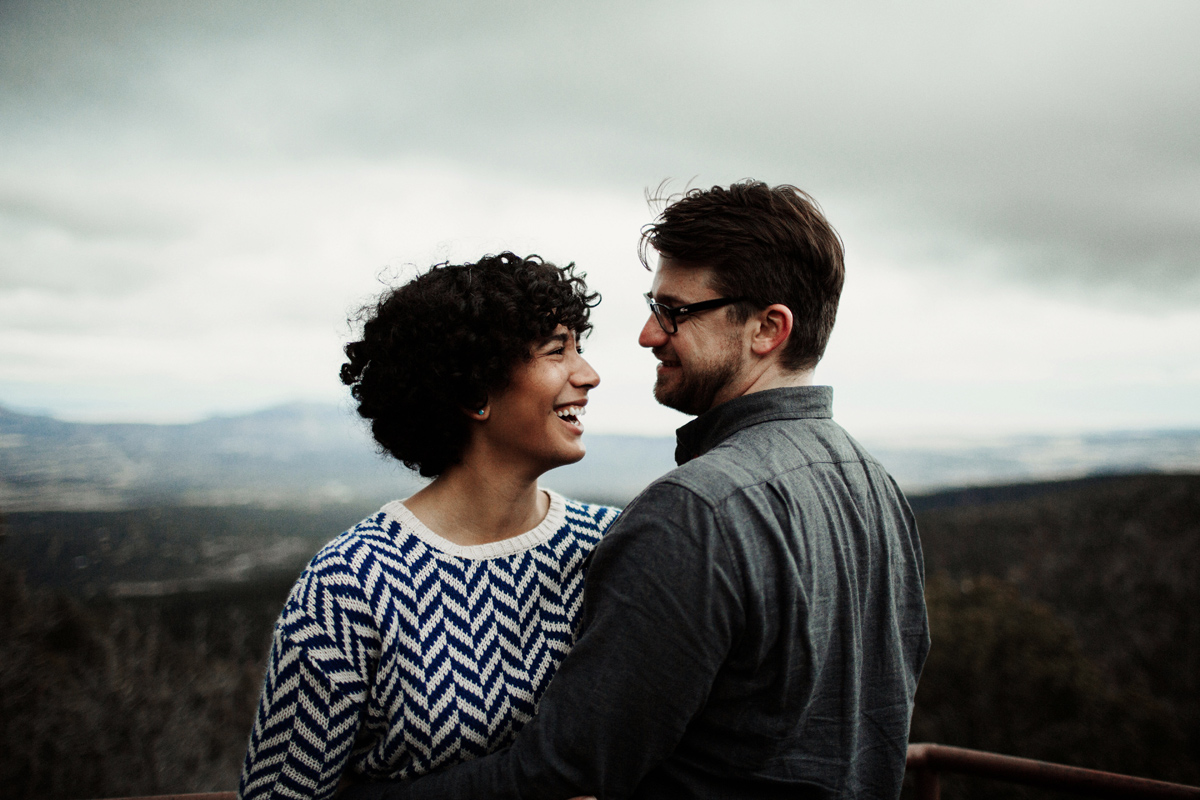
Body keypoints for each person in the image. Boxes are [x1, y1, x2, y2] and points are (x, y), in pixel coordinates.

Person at [344, 181, 930, 799]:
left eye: (675, 312)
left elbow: (563, 770)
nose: (650, 335)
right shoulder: (875, 485)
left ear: (767, 329)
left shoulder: (694, 512)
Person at [236, 253, 620, 800]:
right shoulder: (352, 584)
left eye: (579, 348)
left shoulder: (609, 546)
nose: (589, 375)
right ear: (474, 394)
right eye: (558, 351)